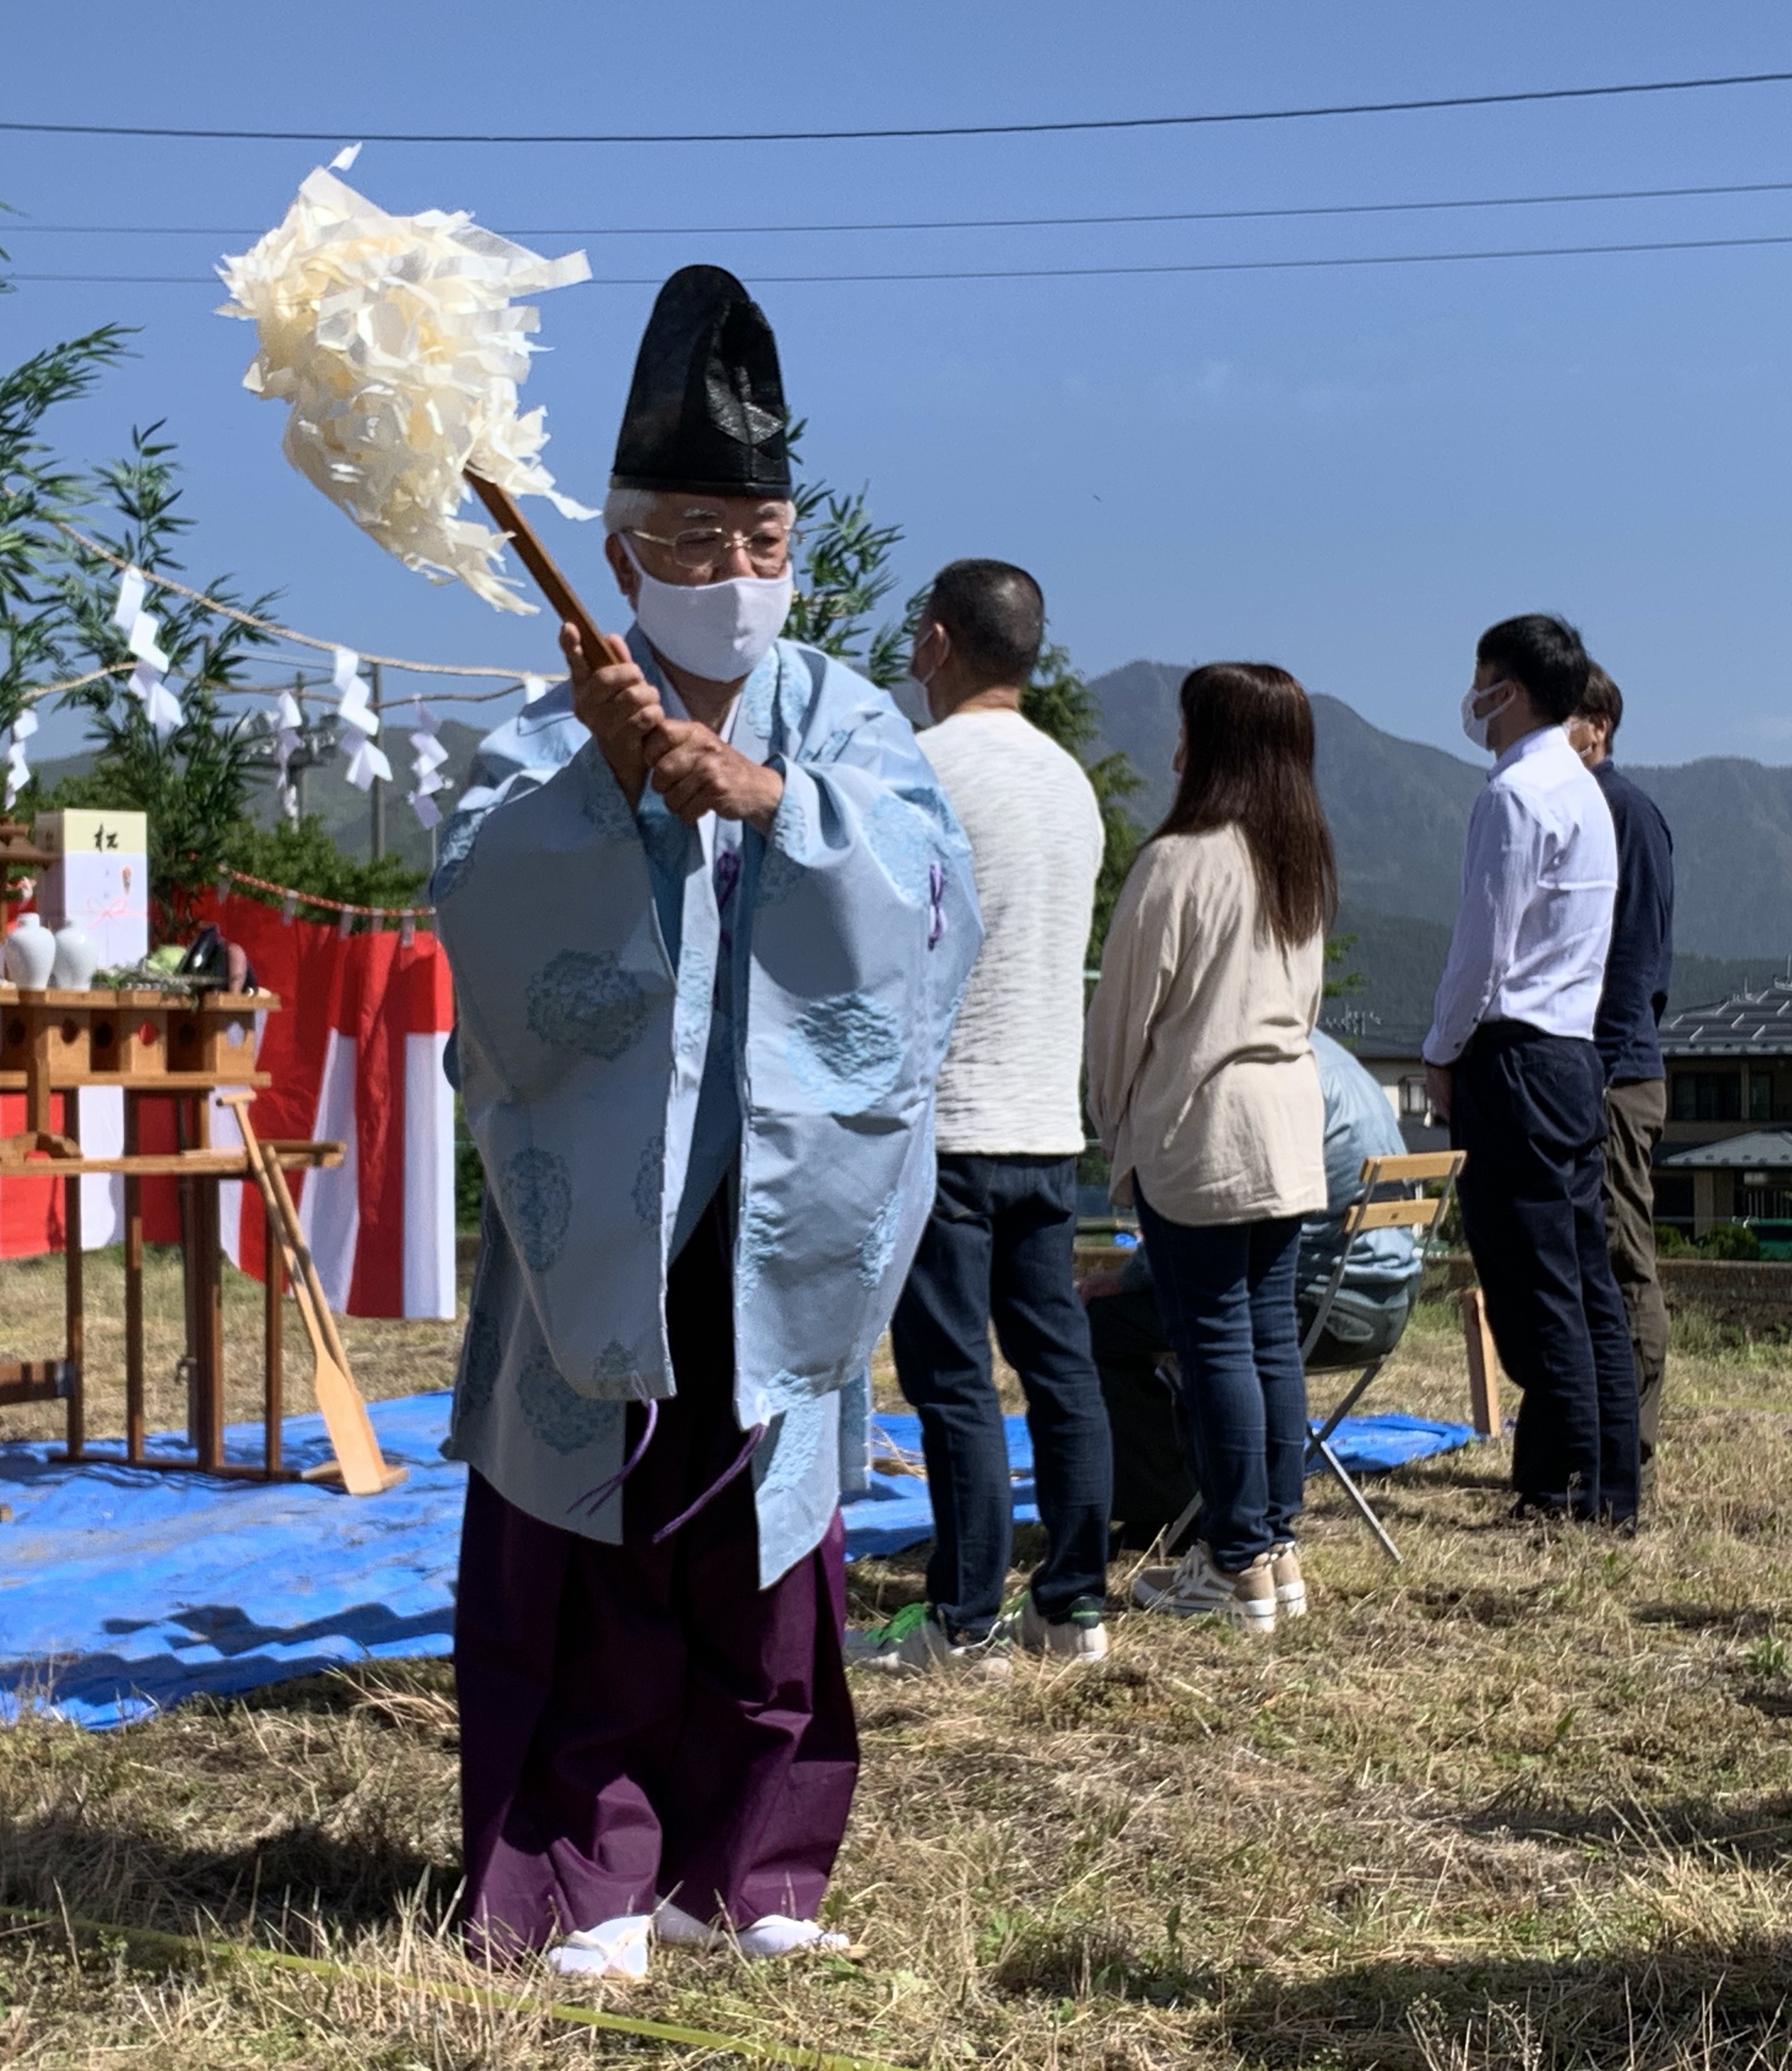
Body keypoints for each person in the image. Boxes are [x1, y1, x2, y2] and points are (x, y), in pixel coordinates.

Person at [431, 265, 981, 1981]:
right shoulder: (542, 732)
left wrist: (770, 803)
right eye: (694, 538)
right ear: (619, 556)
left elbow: (933, 897)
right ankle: (578, 1869)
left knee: (766, 1553)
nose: (735, 572)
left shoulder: (848, 723)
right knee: (583, 1541)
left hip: (784, 1210)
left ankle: (752, 1868)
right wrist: (610, 791)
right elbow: (482, 913)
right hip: (601, 1212)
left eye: (762, 537)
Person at [854, 561, 1114, 1674]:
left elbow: (869, 937)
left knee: (953, 1378)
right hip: (1044, 1123)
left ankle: (963, 1622)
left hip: (946, 1118)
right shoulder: (1070, 783)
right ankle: (1073, 1604)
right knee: (1058, 1369)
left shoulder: (920, 767)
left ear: (935, 638)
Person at [1085, 662, 1336, 1633]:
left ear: (1212, 745)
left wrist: (1117, 1128)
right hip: (1287, 1122)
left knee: (1215, 1341)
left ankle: (1233, 1562)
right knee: (1267, 1337)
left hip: (1204, 1125)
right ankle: (1272, 1548)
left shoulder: (1180, 860)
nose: (1174, 746)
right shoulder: (1300, 862)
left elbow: (1121, 1021)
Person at [1423, 614, 1638, 1527]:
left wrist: (1439, 1053)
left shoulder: (1512, 796)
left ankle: (1571, 1490)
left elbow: (1482, 948)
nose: (1472, 699)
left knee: (1533, 1284)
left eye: (1481, 680)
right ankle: (1595, 1484)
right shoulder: (1585, 790)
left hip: (1512, 1054)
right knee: (1584, 1278)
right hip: (1572, 1055)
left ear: (1505, 688)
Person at [1083, 1027, 1423, 1551]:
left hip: (1317, 1307)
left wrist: (1131, 1278)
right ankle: (1235, 1508)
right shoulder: (1333, 1062)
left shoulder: (1261, 1078)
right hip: (1386, 1301)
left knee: (1106, 1325)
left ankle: (1169, 1507)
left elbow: (1209, 1213)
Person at [1567, 666, 1674, 1465]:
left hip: (1612, 1072)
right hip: (1602, 1068)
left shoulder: (1622, 813)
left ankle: (1627, 1440)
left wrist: (1598, 1068)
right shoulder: (1585, 808)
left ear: (1596, 725)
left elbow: (1636, 963)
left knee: (1619, 1253)